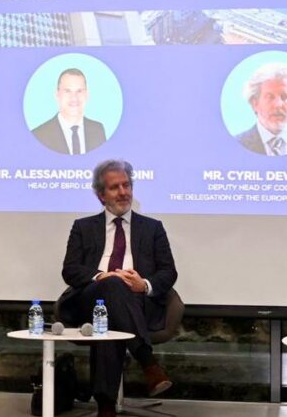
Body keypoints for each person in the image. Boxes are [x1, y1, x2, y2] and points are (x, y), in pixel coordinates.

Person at [57, 159, 178, 417]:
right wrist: (101, 276)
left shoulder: (153, 228)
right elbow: (70, 269)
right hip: (90, 299)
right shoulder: (83, 227)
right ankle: (147, 361)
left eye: (127, 185)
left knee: (108, 318)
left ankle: (106, 406)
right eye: (115, 187)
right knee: (111, 286)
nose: (123, 192)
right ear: (101, 195)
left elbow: (168, 272)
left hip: (136, 302)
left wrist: (143, 284)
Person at [234, 62, 287, 156]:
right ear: (255, 103)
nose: (278, 104)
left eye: (284, 97)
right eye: (270, 97)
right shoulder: (236, 145)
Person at [31, 68, 107, 155]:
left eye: (79, 91)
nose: (74, 98)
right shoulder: (39, 135)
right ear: (57, 94)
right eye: (67, 91)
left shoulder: (98, 130)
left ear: (87, 94)